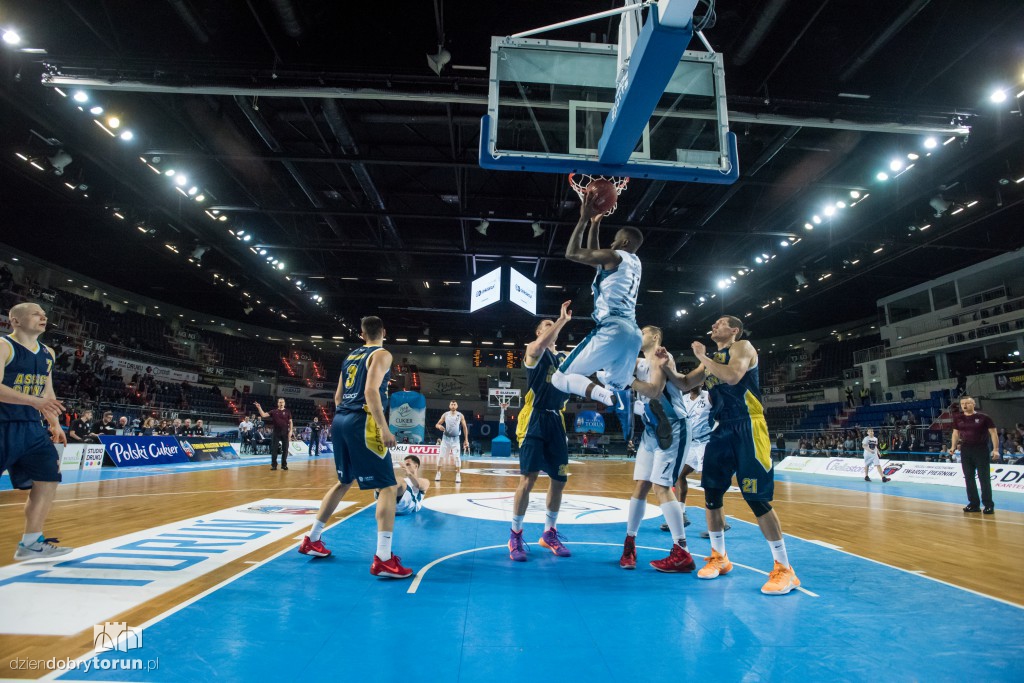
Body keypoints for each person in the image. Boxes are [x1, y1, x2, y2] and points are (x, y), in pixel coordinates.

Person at [656, 315, 800, 595]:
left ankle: (785, 569)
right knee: (712, 494)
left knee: (756, 499)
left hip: (749, 426)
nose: (714, 325)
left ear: (733, 330)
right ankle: (719, 557)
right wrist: (668, 366)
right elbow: (685, 383)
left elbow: (733, 376)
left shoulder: (742, 347)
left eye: (721, 322)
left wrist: (702, 357)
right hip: (722, 429)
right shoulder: (714, 358)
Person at [297, 316, 413, 578]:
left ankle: (312, 539)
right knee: (387, 485)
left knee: (343, 481)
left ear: (362, 334)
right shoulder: (382, 354)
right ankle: (384, 557)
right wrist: (383, 428)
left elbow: (338, 397)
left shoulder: (350, 356)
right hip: (363, 420)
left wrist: (346, 422)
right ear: (384, 332)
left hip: (340, 419)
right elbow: (372, 391)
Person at [550, 190, 645, 442]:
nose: (611, 244)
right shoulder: (635, 262)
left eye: (614, 240)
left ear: (623, 244)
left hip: (613, 328)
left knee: (560, 377)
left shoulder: (615, 255)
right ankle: (635, 405)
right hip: (634, 333)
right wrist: (595, 224)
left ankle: (604, 396)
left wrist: (583, 218)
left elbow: (573, 253)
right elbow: (595, 258)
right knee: (615, 383)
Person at [618, 326, 695, 573]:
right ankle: (629, 543)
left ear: (655, 337)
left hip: (673, 428)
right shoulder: (639, 361)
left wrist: (627, 380)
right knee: (641, 484)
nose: (638, 335)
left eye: (642, 332)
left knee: (661, 486)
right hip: (651, 430)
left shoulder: (663, 357)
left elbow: (654, 391)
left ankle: (681, 550)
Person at [0, 302, 72, 560]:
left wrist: (53, 423)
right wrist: (34, 401)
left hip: (32, 429)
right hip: (2, 425)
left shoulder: (48, 353)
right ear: (15, 320)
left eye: (44, 314)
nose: (43, 317)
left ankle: (31, 543)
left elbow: (46, 391)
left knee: (48, 480)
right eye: (36, 314)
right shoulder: (4, 346)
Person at [508, 301, 573, 562]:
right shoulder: (534, 352)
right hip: (534, 419)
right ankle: (514, 535)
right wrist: (561, 320)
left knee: (560, 480)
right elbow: (538, 346)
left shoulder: (565, 358)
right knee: (529, 478)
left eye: (552, 325)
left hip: (557, 421)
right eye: (545, 326)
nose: (551, 328)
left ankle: (549, 533)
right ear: (539, 332)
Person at [661, 384, 713, 533]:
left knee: (709, 483)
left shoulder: (708, 396)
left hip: (706, 443)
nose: (692, 383)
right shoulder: (682, 399)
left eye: (696, 381)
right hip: (691, 443)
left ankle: (719, 522)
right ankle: (681, 514)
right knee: (679, 475)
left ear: (701, 383)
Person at [948, 396, 999, 514]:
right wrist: (953, 446)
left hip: (981, 450)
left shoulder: (984, 417)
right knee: (969, 478)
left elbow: (993, 434)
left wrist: (995, 449)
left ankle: (988, 505)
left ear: (973, 404)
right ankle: (974, 504)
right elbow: (956, 434)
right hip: (966, 450)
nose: (965, 405)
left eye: (967, 403)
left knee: (984, 478)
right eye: (962, 404)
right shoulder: (958, 418)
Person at [254, 398, 294, 471]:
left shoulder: (288, 412)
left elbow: (291, 422)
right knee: (274, 449)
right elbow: (263, 415)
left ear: (284, 403)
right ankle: (274, 465)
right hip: (276, 433)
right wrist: (259, 407)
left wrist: (291, 431)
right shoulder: (274, 411)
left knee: (285, 449)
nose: (281, 404)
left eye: (282, 402)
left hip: (285, 433)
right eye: (279, 402)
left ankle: (284, 465)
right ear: (277, 403)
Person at [434, 400, 469, 484]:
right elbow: (437, 424)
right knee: (441, 457)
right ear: (449, 406)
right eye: (452, 404)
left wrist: (466, 439)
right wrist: (439, 427)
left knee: (457, 457)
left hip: (456, 439)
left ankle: (458, 474)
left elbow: (464, 428)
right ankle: (438, 473)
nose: (453, 405)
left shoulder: (460, 415)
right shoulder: (445, 414)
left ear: (457, 406)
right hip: (445, 439)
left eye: (454, 404)